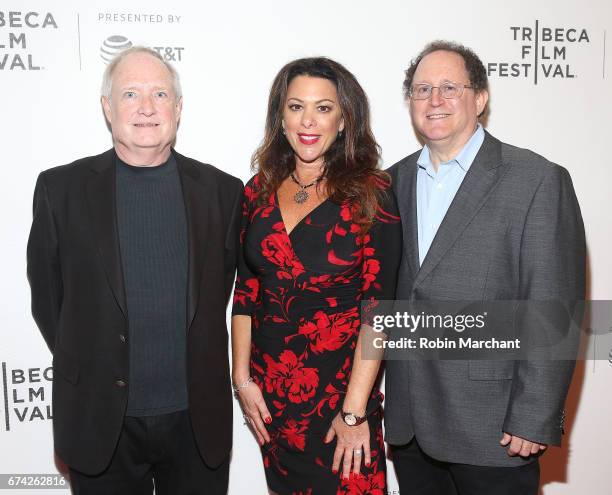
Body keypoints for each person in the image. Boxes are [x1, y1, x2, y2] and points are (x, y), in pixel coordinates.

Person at [27, 46, 242, 494]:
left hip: (195, 423)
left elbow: (221, 290)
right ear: (107, 108)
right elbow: (50, 303)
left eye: (160, 94)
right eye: (130, 94)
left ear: (178, 108)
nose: (146, 108)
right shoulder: (60, 190)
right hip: (100, 424)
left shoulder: (223, 192)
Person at [376, 41, 585, 494]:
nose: (434, 100)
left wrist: (535, 415)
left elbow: (554, 307)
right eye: (422, 89)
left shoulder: (536, 180)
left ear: (481, 99)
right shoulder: (390, 183)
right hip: (410, 424)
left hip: (494, 428)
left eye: (450, 87)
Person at [231, 57, 402, 494]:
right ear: (280, 116)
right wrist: (242, 379)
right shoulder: (259, 189)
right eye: (295, 107)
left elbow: (379, 314)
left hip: (339, 403)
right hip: (272, 403)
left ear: (344, 119)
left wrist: (353, 413)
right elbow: (246, 291)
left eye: (324, 108)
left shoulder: (372, 193)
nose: (308, 121)